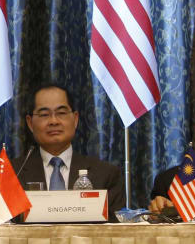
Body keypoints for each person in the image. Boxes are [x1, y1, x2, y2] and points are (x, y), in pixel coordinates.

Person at [15, 83, 124, 217]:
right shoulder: (12, 175)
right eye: (44, 114)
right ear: (30, 123)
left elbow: (116, 232)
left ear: (75, 119)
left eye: (61, 113)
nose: (54, 121)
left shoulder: (106, 175)